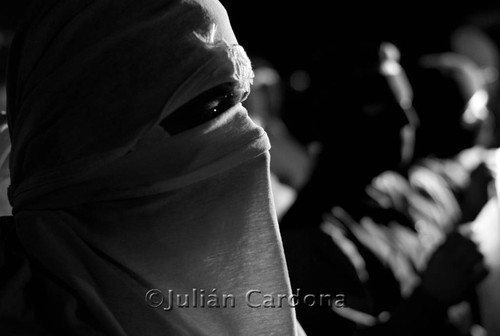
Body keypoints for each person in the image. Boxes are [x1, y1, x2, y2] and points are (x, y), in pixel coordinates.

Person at [0, 0, 305, 335]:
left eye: (238, 103)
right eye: (211, 110)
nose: (249, 135)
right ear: (97, 132)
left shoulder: (221, 301)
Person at [280, 41, 489, 336]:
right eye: (382, 106)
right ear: (334, 119)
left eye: (406, 104)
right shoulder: (309, 241)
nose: (407, 120)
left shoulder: (397, 189)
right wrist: (430, 300)